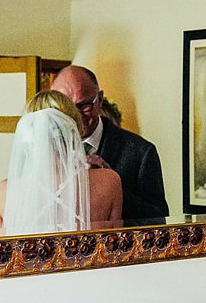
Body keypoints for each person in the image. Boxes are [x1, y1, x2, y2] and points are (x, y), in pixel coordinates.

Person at [0, 90, 122, 235]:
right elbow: (114, 249)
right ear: (75, 129)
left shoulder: (4, 192)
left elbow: (3, 254)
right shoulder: (109, 182)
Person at [51, 65, 170, 224]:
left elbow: (158, 220)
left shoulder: (140, 152)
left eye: (84, 105)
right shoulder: (45, 149)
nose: (75, 116)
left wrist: (112, 186)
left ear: (99, 99)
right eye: (66, 108)